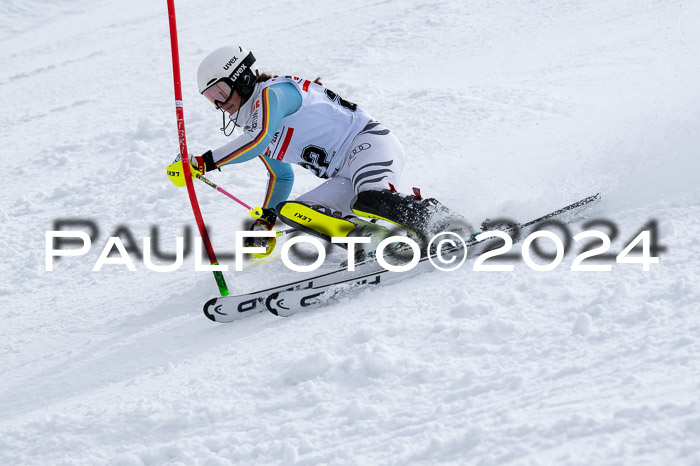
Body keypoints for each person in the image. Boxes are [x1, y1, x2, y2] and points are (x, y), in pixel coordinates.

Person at [167, 45, 461, 257]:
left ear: (241, 77)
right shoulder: (255, 124)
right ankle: (380, 241)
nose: (218, 103)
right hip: (341, 175)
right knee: (296, 212)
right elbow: (280, 177)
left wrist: (203, 163)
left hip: (368, 144)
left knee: (368, 198)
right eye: (210, 98)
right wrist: (266, 221)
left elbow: (257, 139)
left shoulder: (273, 94)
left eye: (219, 92)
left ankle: (444, 223)